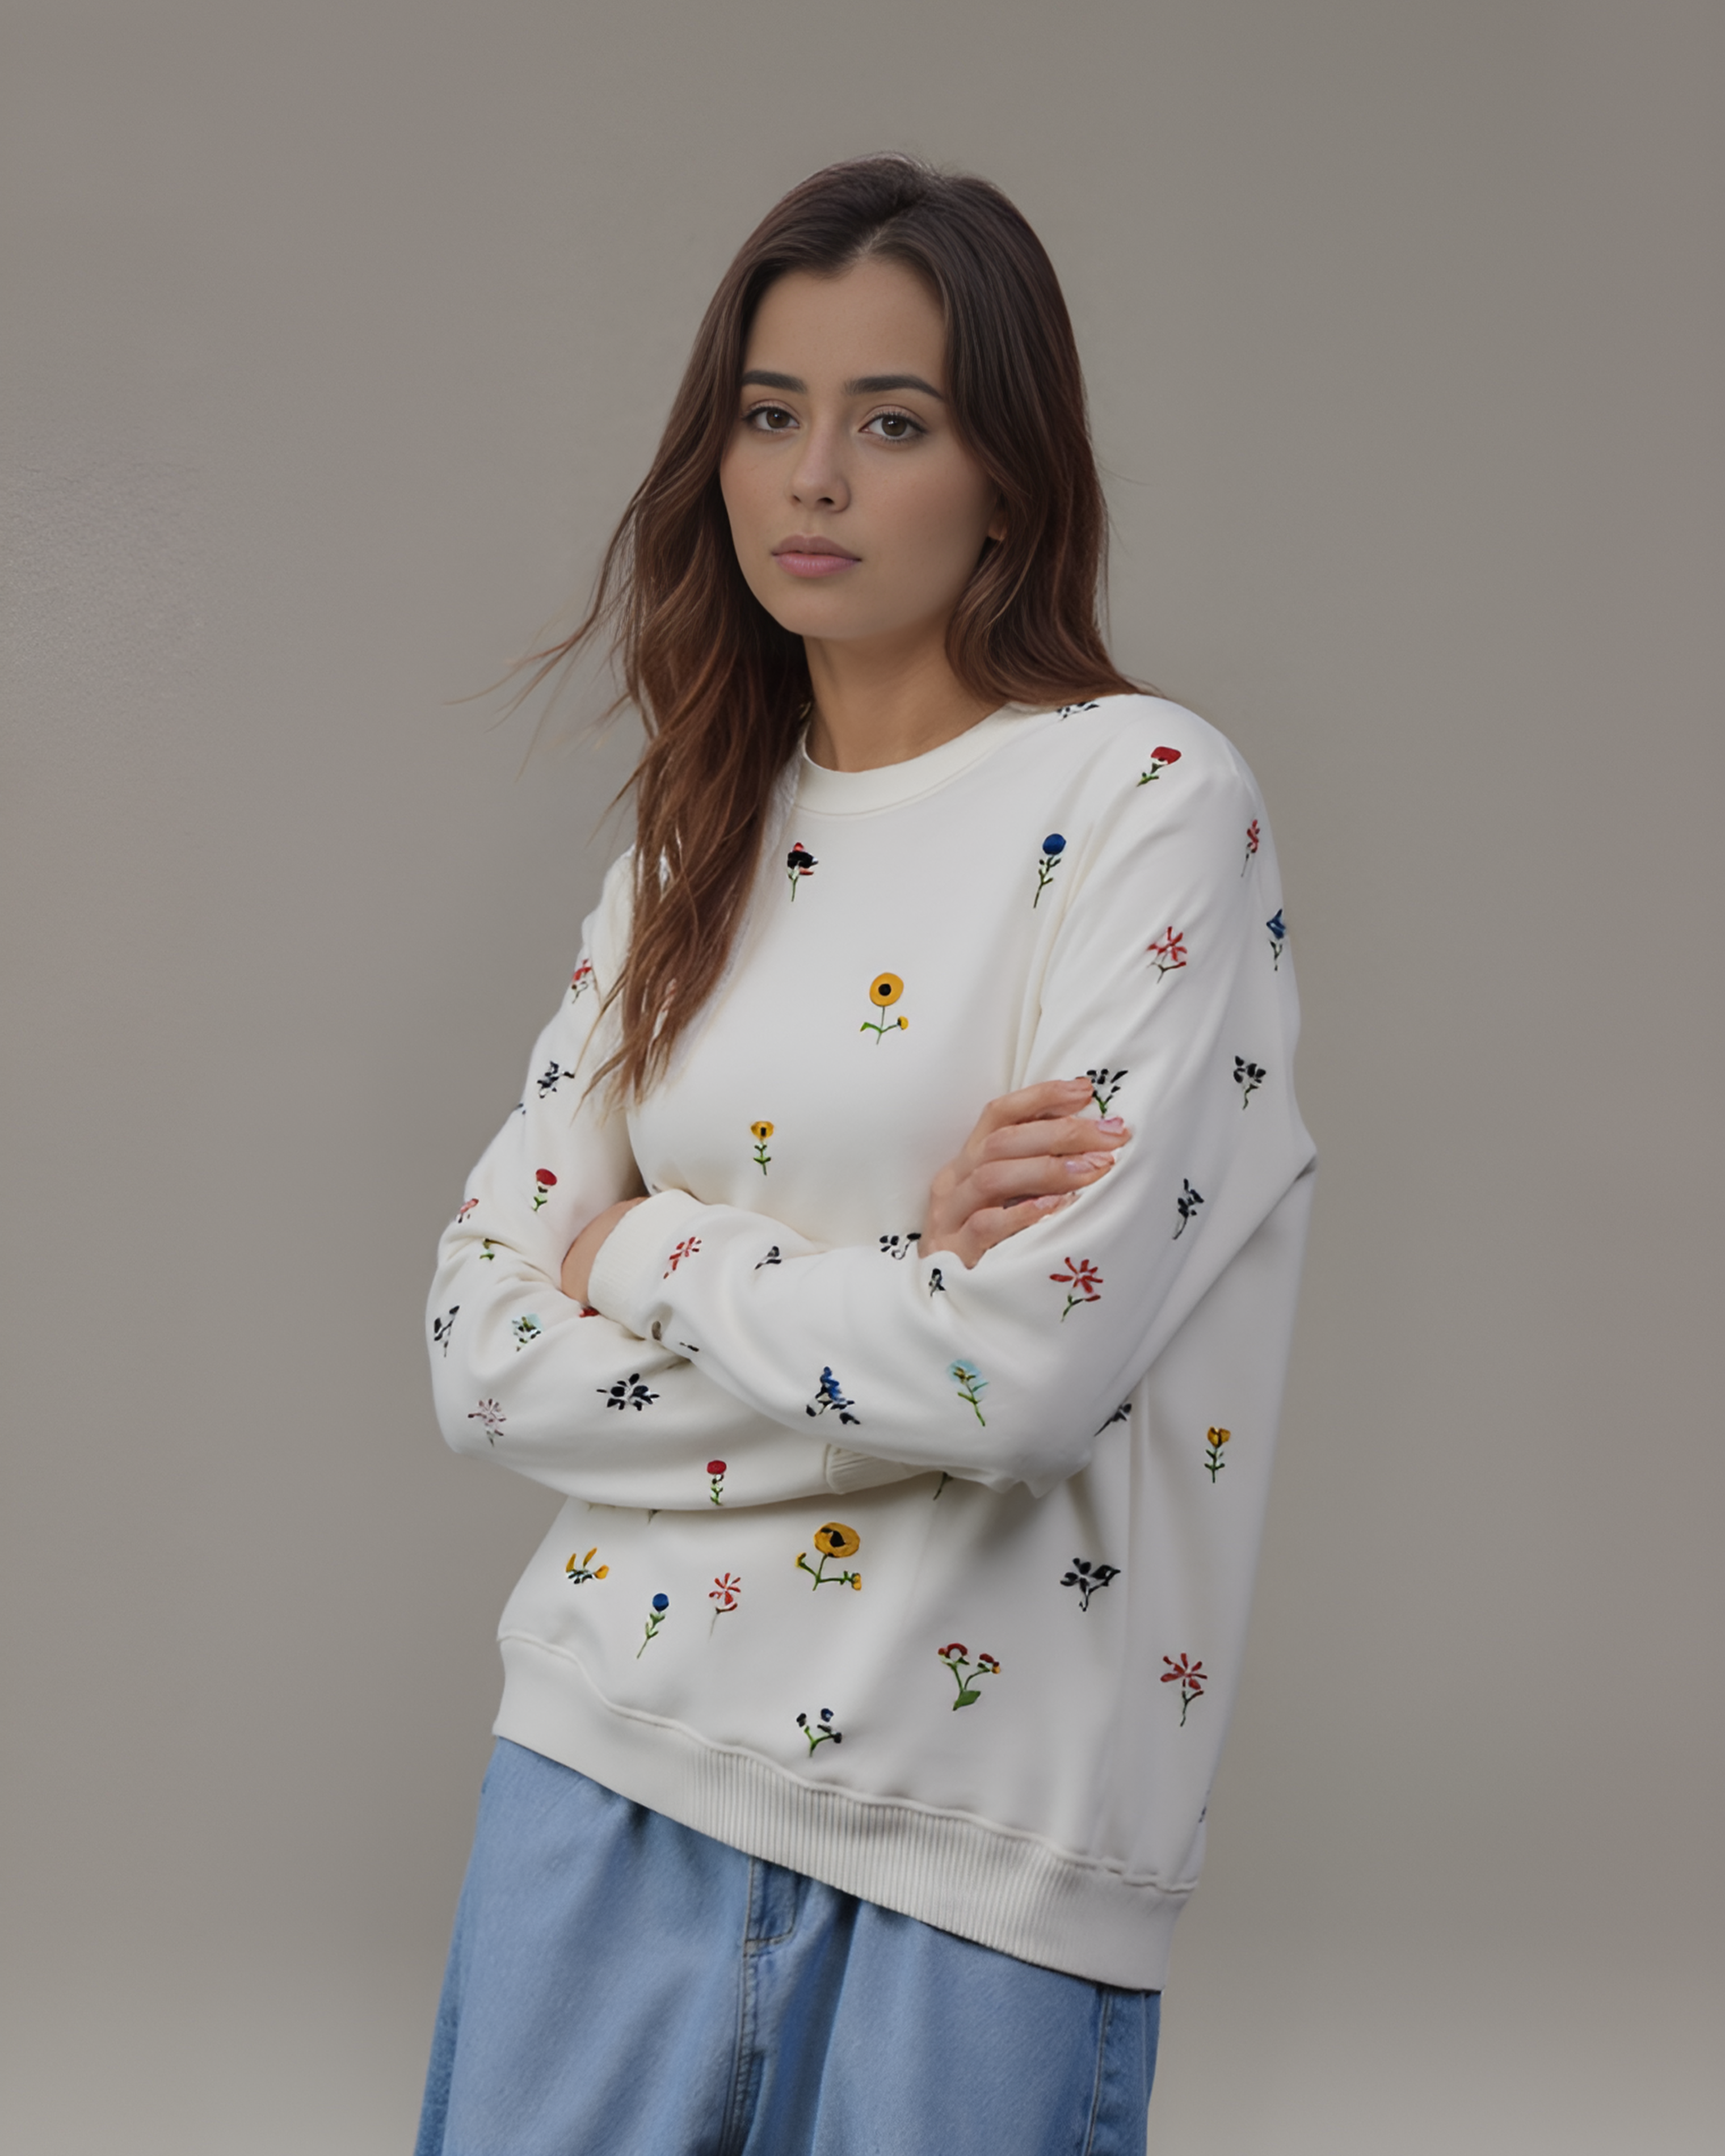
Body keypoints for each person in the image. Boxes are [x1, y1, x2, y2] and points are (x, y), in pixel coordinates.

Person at [416, 154, 1314, 2156]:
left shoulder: (1148, 800)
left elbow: (1019, 1384)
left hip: (983, 1845)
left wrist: (653, 1257)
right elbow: (478, 1353)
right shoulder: (686, 846)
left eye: (890, 422)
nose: (813, 477)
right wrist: (898, 1300)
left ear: (1010, 474)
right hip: (596, 1767)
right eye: (770, 414)